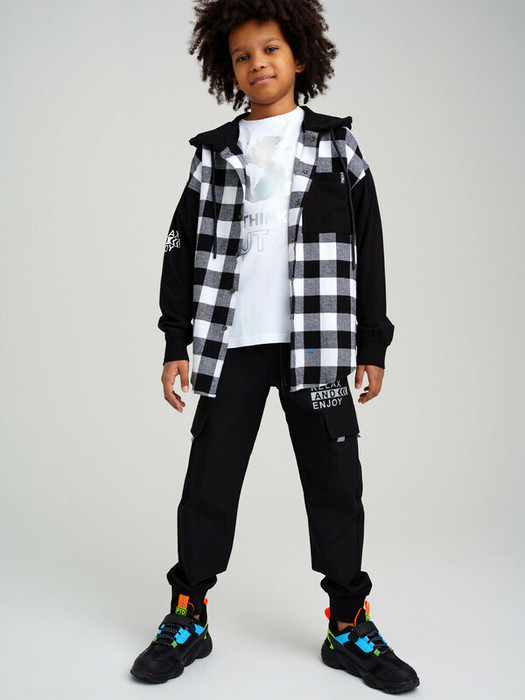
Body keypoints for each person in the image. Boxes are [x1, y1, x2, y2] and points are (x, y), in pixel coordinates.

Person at [130, 0, 419, 693]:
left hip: (316, 346)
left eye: (270, 49)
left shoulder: (335, 145)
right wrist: (176, 340)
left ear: (299, 57)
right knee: (208, 483)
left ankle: (347, 626)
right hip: (231, 343)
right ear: (227, 70)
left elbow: (369, 246)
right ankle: (188, 617)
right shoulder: (213, 154)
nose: (257, 63)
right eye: (242, 56)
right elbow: (179, 249)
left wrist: (371, 342)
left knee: (336, 484)